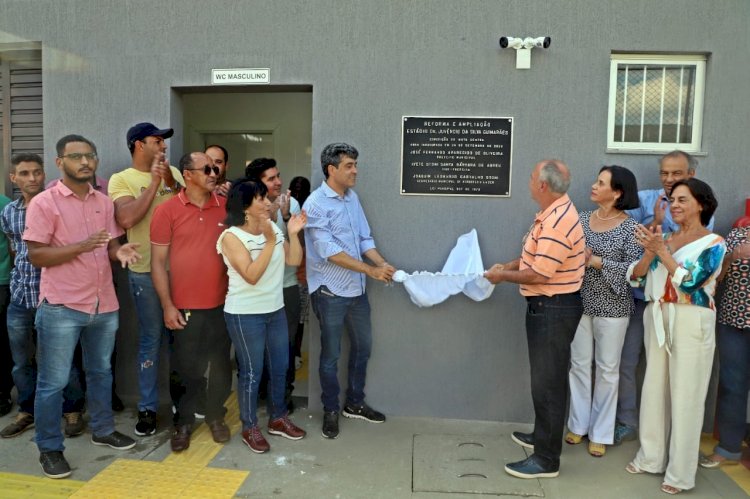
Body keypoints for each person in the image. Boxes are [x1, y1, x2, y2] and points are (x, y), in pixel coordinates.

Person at [24, 135, 141, 479]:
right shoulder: (44, 204)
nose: (86, 162)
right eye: (76, 157)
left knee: (101, 372)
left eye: (90, 155)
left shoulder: (103, 203)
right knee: (54, 382)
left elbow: (110, 245)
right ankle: (49, 447)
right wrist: (81, 246)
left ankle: (103, 430)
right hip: (62, 305)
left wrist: (119, 252)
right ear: (60, 163)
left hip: (103, 303)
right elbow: (36, 255)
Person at [484, 159, 585, 479]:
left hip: (553, 308)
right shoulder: (553, 213)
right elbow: (534, 256)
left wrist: (502, 276)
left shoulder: (557, 221)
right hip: (548, 307)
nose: (528, 181)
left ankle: (546, 460)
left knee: (549, 384)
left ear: (542, 186)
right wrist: (508, 266)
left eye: (531, 177)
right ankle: (543, 437)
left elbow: (541, 272)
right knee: (544, 381)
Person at [625, 178, 725, 495]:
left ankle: (681, 473)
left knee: (687, 396)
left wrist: (662, 252)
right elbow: (637, 278)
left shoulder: (714, 243)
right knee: (654, 388)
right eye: (672, 201)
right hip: (658, 314)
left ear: (702, 204)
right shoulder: (663, 237)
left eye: (683, 199)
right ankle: (651, 458)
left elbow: (691, 282)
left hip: (692, 318)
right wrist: (649, 253)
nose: (675, 205)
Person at [616, 150, 713, 444]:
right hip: (640, 298)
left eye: (677, 174)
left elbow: (695, 251)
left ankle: (674, 439)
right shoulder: (645, 199)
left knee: (676, 374)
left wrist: (664, 230)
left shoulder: (701, 202)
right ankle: (628, 422)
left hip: (681, 306)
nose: (669, 180)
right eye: (664, 174)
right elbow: (625, 237)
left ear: (691, 175)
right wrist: (654, 220)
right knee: (628, 362)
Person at [304, 143, 395, 439]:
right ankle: (331, 409)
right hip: (330, 293)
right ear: (331, 169)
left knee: (363, 348)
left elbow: (364, 239)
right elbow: (329, 251)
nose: (355, 170)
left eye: (355, 164)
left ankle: (354, 403)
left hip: (357, 292)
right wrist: (371, 271)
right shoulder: (315, 204)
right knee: (331, 355)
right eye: (349, 166)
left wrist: (383, 265)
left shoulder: (352, 199)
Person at [150, 152, 232, 452]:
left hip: (224, 305)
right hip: (184, 306)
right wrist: (168, 305)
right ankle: (183, 422)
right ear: (188, 174)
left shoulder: (227, 208)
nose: (214, 173)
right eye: (207, 169)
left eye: (216, 168)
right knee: (185, 369)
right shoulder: (167, 211)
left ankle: (215, 416)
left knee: (222, 366)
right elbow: (158, 263)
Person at [0, 154, 86, 439]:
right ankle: (28, 410)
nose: (32, 178)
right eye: (24, 174)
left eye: (37, 172)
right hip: (21, 297)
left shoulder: (59, 206)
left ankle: (72, 410)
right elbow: (17, 250)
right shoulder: (9, 212)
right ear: (14, 178)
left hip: (55, 297)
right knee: (22, 361)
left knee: (64, 359)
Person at [218, 180, 307, 453]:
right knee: (252, 372)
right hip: (245, 314)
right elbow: (252, 276)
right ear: (245, 207)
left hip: (275, 310)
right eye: (260, 199)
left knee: (280, 367)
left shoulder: (274, 231)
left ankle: (278, 418)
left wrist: (291, 233)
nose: (268, 202)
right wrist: (270, 240)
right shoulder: (231, 237)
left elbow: (293, 261)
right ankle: (250, 427)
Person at [109, 122, 183, 436]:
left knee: (183, 343)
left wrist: (171, 182)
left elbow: (191, 208)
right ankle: (148, 410)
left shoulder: (176, 173)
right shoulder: (121, 179)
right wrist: (154, 184)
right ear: (139, 145)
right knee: (151, 342)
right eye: (157, 141)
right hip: (145, 275)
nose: (163, 147)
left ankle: (184, 406)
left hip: (182, 273)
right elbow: (125, 219)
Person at [566, 166, 641, 458]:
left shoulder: (631, 228)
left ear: (618, 192)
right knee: (579, 365)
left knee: (608, 370)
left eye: (601, 183)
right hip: (579, 303)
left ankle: (600, 432)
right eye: (596, 180)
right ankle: (578, 425)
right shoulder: (582, 219)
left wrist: (595, 261)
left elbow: (635, 273)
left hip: (613, 307)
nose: (594, 186)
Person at [246, 158, 301, 412]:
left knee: (285, 346)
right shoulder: (246, 208)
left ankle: (282, 395)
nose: (278, 182)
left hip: (286, 288)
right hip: (256, 290)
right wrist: (269, 214)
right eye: (271, 178)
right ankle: (258, 393)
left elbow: (297, 250)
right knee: (257, 347)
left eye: (278, 176)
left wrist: (286, 216)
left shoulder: (293, 204)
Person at [698, 224, 750, 468]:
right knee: (732, 385)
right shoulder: (738, 234)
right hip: (732, 321)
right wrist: (732, 256)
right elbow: (716, 277)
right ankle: (729, 448)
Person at [289, 176, 311, 364]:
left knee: (300, 320)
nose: (298, 193)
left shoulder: (310, 212)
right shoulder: (287, 211)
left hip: (303, 275)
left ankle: (295, 353)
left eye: (302, 190)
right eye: (294, 189)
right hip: (287, 275)